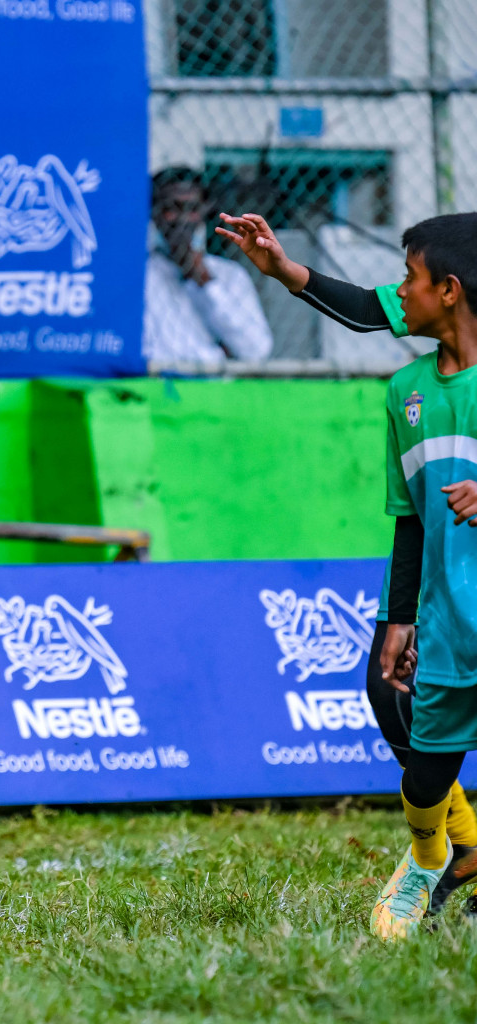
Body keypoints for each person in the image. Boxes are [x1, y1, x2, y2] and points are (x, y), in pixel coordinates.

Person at [218, 209, 477, 940]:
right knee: (411, 744)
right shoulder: (408, 392)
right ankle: (445, 854)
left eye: (410, 279)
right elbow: (411, 517)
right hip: (449, 617)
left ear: (450, 291)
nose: (397, 292)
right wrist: (280, 269)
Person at [144, 168, 274, 366]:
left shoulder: (229, 275)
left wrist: (205, 281)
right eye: (173, 208)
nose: (183, 218)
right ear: (155, 211)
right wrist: (214, 354)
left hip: (213, 390)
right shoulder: (141, 275)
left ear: (204, 210)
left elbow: (256, 349)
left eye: (192, 208)